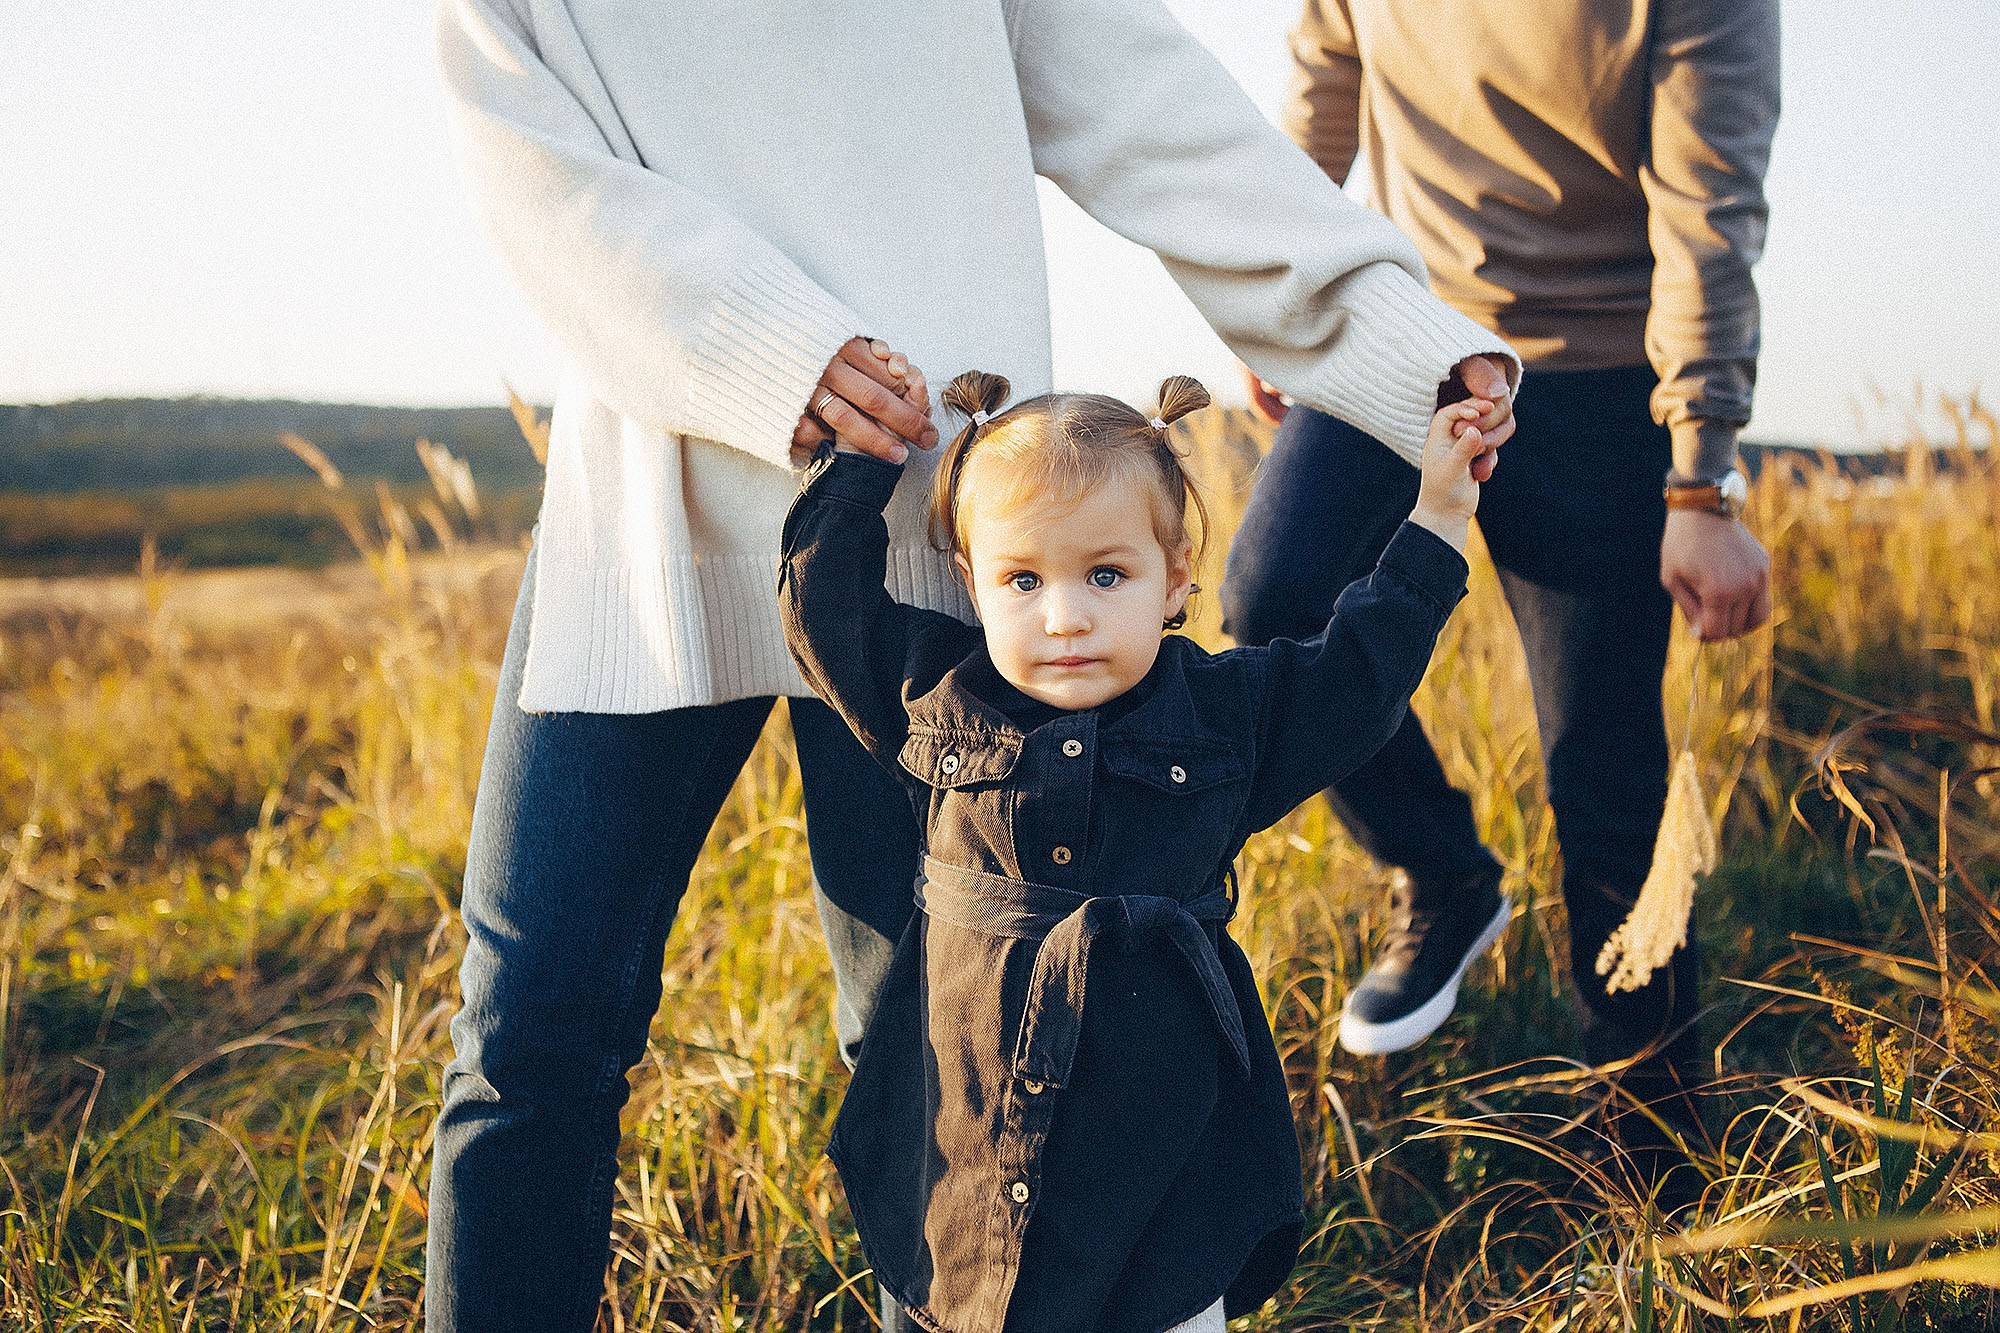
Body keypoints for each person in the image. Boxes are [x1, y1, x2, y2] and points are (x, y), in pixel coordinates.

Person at [427, 0, 1520, 1326]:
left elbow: (1154, 114)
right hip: (643, 525)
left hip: (950, 542)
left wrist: (1400, 341)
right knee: (526, 1041)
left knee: (942, 1045)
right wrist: (778, 350)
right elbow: (521, 155)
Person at [780, 370, 1497, 1333]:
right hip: (968, 1156)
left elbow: (1360, 671)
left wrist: (1441, 510)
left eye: (1105, 575)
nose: (1065, 617)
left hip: (1162, 1166)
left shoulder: (1224, 717)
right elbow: (824, 605)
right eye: (1022, 580)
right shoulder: (939, 702)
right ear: (971, 583)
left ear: (1177, 576)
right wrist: (863, 461)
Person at [1221, 0, 1779, 1159]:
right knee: (1274, 603)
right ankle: (1441, 872)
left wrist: (1697, 482)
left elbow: (1706, 209)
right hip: (1401, 336)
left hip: (1595, 371)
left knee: (1600, 770)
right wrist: (1278, 303)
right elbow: (1325, 80)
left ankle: (1651, 1152)